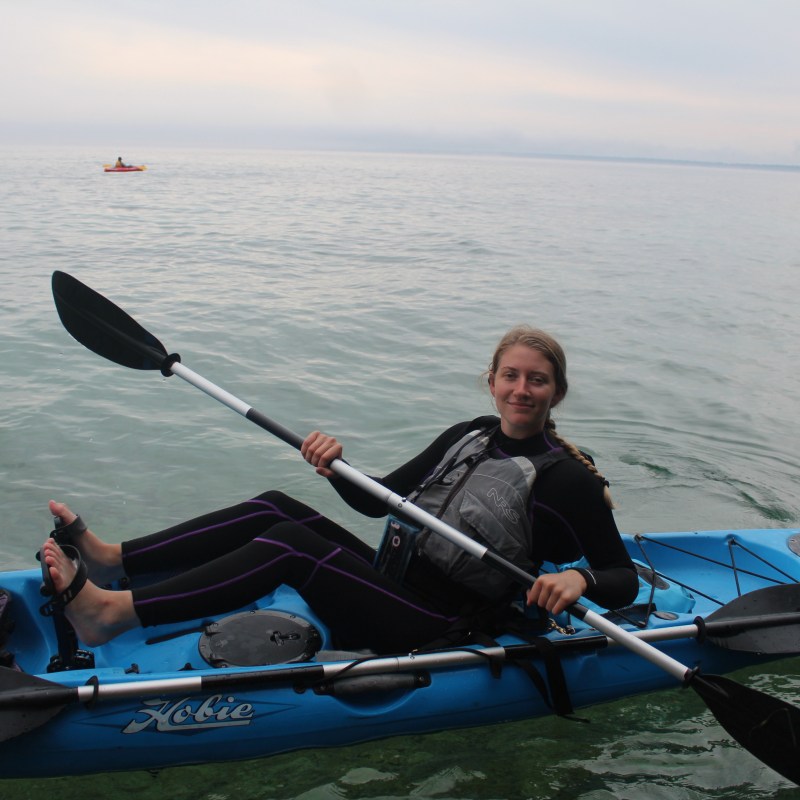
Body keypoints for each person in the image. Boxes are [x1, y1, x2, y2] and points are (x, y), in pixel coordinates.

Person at [41, 325, 639, 655]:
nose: (521, 389)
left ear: (556, 393)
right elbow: (380, 500)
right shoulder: (470, 435)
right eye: (510, 375)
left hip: (439, 623)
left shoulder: (564, 477)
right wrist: (337, 465)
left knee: (290, 545)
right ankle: (114, 558)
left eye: (537, 381)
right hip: (391, 581)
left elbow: (621, 577)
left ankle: (111, 614)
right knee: (276, 507)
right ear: (491, 381)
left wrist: (578, 578)